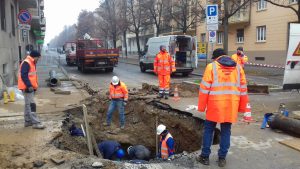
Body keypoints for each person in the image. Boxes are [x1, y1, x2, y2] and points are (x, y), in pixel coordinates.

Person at [197, 48, 248, 167]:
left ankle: (204, 156)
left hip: (215, 105)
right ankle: (222, 159)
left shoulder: (211, 67)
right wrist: (241, 108)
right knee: (226, 131)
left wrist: (201, 107)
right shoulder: (238, 68)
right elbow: (243, 90)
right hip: (231, 106)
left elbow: (204, 89)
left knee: (209, 130)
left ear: (216, 57)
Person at [18, 50, 45, 129]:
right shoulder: (27, 62)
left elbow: (31, 76)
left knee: (27, 105)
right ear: (35, 56)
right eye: (38, 58)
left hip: (29, 87)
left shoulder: (31, 62)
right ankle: (35, 123)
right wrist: (29, 85)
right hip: (27, 87)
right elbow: (24, 75)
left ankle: (28, 121)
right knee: (31, 105)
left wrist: (33, 87)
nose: (38, 60)